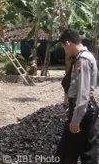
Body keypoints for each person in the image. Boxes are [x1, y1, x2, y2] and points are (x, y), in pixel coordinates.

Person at [57, 29, 99, 164]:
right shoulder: (87, 56)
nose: (65, 51)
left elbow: (84, 91)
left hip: (83, 111)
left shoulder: (83, 60)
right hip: (88, 110)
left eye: (64, 48)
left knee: (66, 152)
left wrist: (76, 118)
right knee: (88, 150)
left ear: (68, 43)